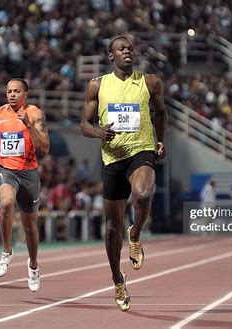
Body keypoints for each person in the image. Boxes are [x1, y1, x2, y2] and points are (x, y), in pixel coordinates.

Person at [81, 35, 167, 311]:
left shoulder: (150, 82)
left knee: (142, 195)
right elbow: (85, 123)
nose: (127, 52)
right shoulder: (98, 85)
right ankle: (118, 279)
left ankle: (136, 233)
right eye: (121, 49)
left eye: (130, 48)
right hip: (113, 157)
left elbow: (162, 113)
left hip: (141, 151)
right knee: (110, 229)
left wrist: (160, 140)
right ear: (111, 56)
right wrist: (98, 132)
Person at [0, 78, 50, 292]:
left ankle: (34, 266)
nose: (12, 95)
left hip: (29, 174)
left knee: (29, 227)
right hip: (6, 171)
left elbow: (44, 148)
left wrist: (28, 125)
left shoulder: (35, 114)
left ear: (25, 94)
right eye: (9, 91)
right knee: (7, 202)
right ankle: (6, 252)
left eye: (16, 91)